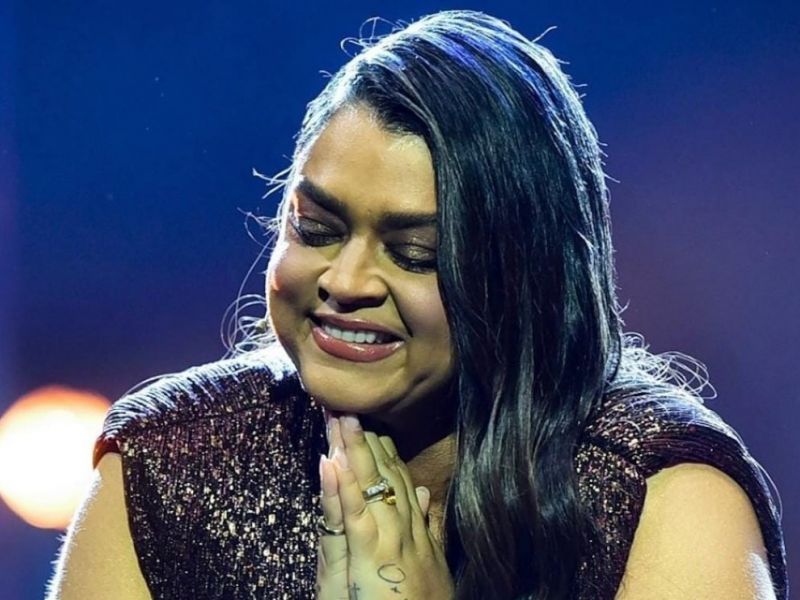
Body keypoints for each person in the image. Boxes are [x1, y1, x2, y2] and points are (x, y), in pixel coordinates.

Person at [47, 9, 788, 600]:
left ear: (526, 277)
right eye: (317, 228)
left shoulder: (666, 496)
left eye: (416, 255)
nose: (347, 280)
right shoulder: (168, 472)